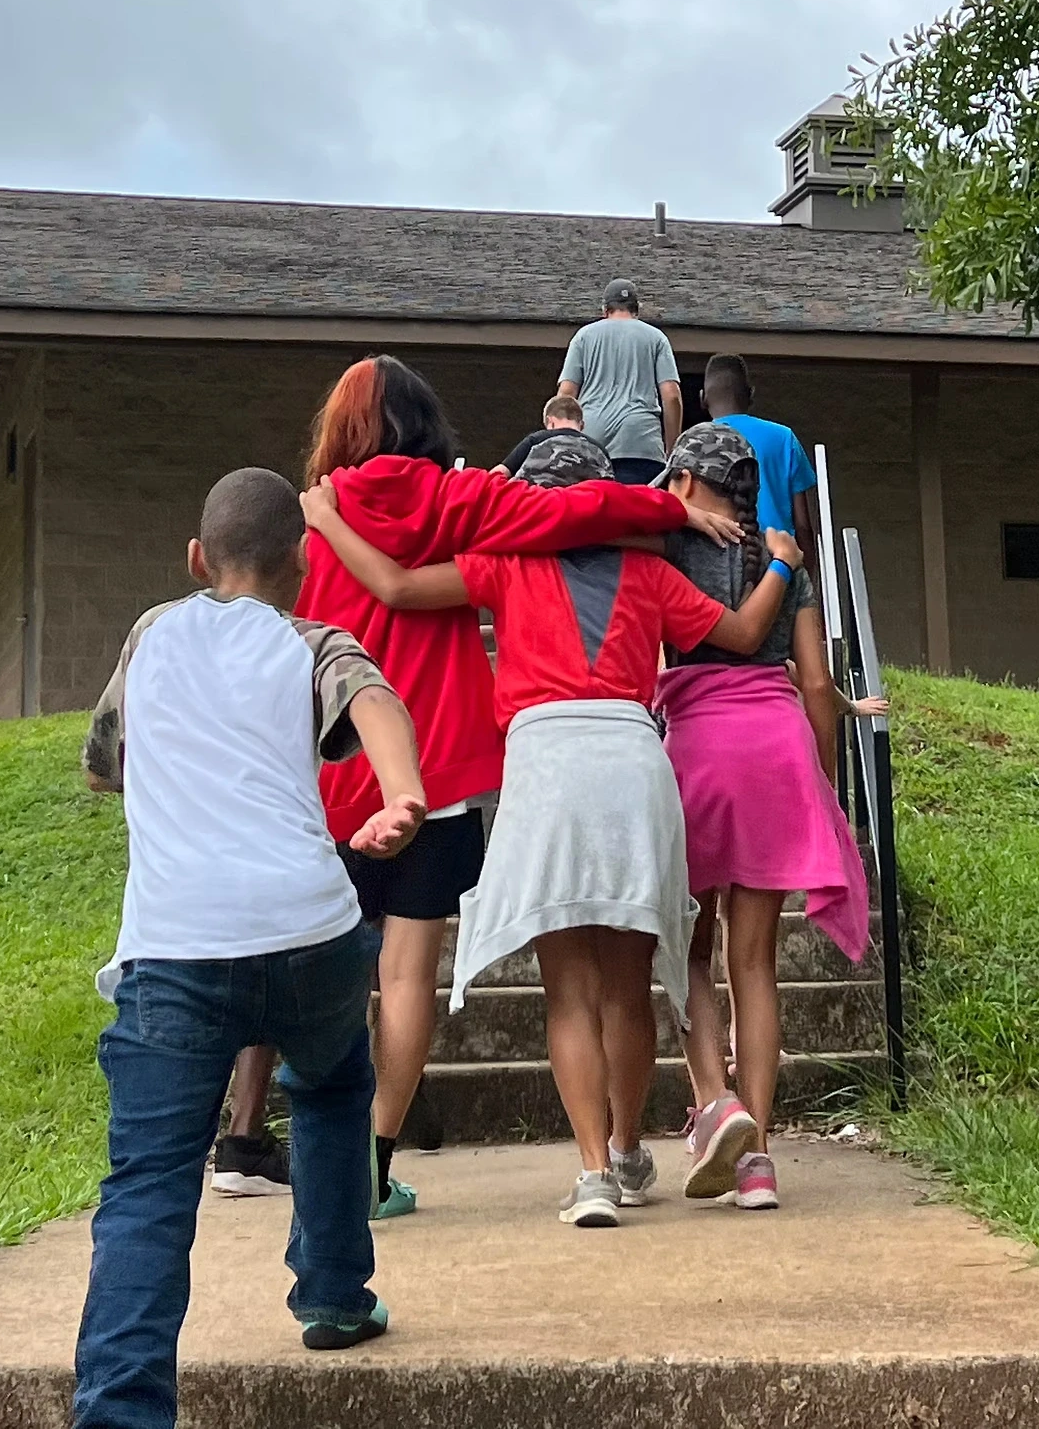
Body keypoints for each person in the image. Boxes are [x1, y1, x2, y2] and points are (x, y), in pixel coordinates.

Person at [270, 354, 742, 1221]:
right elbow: (608, 526)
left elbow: (390, 587)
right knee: (422, 976)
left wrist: (326, 521)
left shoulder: (326, 522)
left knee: (330, 973)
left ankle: (310, 1151)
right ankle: (387, 1160)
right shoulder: (468, 506)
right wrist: (671, 506)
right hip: (440, 768)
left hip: (334, 770)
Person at [74, 469, 427, 1429]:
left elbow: (106, 766)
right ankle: (332, 1294)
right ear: (304, 567)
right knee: (328, 1087)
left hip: (176, 949)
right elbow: (375, 702)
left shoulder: (151, 634)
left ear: (196, 560)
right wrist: (400, 796)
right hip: (309, 931)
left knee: (149, 1181)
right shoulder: (314, 639)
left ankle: (119, 1410)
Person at [650, 424, 870, 1210]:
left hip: (698, 753)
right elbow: (816, 683)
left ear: (682, 481)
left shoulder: (666, 549)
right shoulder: (788, 562)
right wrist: (815, 776)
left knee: (689, 950)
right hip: (775, 748)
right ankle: (758, 1162)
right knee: (756, 963)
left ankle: (716, 1103)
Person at [701, 352, 820, 582]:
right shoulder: (784, 438)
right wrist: (807, 580)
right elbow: (803, 525)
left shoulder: (696, 443)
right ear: (751, 395)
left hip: (719, 568)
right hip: (779, 564)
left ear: (702, 399)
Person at [558, 279, 682, 484]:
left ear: (605, 310)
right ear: (637, 310)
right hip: (641, 443)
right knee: (639, 513)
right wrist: (672, 449)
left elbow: (566, 394)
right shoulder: (656, 338)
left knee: (595, 512)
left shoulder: (583, 336)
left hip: (592, 440)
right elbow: (672, 396)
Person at [492, 393, 585, 477]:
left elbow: (502, 471)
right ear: (581, 425)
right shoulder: (597, 448)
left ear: (550, 421)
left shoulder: (537, 439)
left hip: (538, 494)